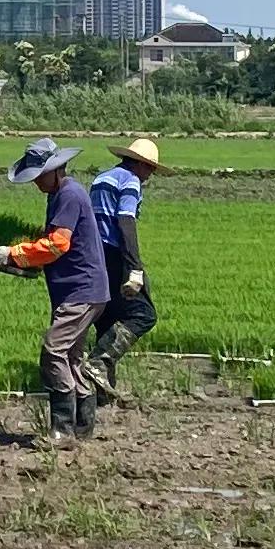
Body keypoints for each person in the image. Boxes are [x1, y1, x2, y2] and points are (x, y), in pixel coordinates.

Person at [0, 135, 110, 446]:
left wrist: (15, 253)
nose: (36, 183)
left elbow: (57, 245)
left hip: (81, 291)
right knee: (71, 357)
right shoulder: (59, 194)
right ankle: (82, 427)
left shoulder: (69, 195)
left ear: (56, 170)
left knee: (53, 351)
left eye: (39, 176)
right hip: (81, 290)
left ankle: (62, 430)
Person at [83, 135, 162, 398]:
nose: (150, 175)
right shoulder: (130, 181)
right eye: (150, 168)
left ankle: (103, 392)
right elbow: (125, 221)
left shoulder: (101, 178)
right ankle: (98, 362)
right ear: (140, 164)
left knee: (108, 319)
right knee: (144, 314)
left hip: (94, 254)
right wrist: (134, 267)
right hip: (115, 253)